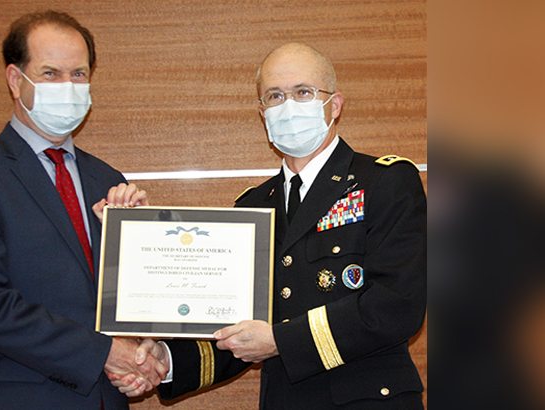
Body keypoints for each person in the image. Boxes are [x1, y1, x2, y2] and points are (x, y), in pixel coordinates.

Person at [112, 43, 427, 409]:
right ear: (262, 112)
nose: (288, 106)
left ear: (335, 104)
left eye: (303, 92)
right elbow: (235, 324)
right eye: (275, 96)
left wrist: (281, 340)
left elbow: (396, 306)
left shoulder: (384, 182)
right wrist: (165, 362)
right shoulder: (252, 206)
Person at [0, 11, 165, 410]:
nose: (68, 86)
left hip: (103, 398)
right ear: (15, 80)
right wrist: (106, 353)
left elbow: (124, 302)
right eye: (50, 73)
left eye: (78, 74)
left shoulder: (107, 179)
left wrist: (141, 242)